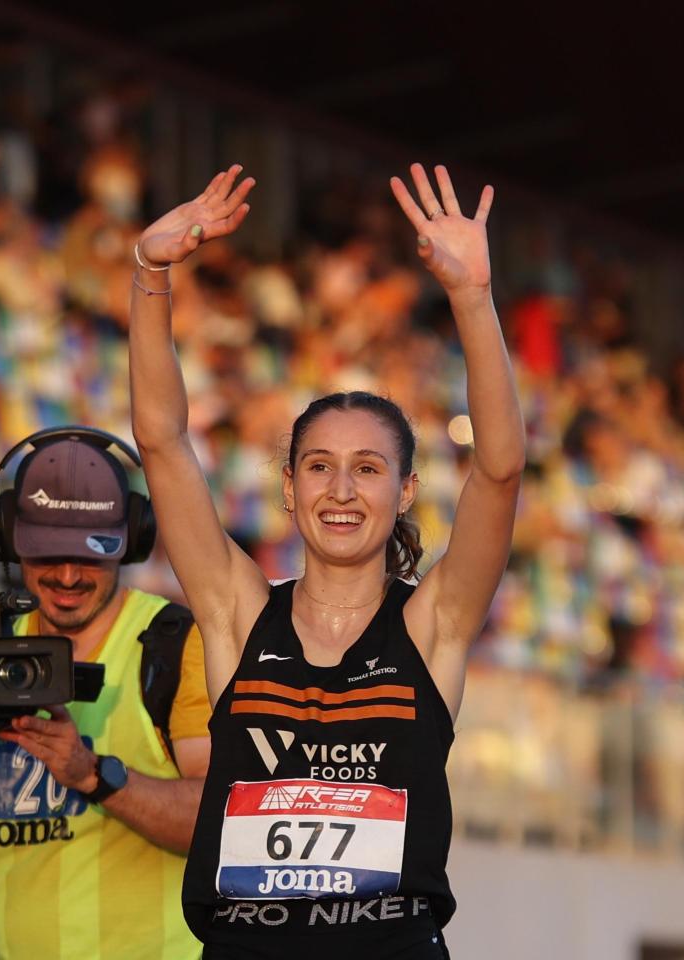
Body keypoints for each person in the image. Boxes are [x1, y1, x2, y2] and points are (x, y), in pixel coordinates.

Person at [128, 164, 524, 958]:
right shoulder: (239, 613)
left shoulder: (433, 623)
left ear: (406, 491)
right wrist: (149, 273)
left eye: (368, 469)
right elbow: (162, 443)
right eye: (319, 466)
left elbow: (500, 470)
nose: (341, 490)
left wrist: (473, 299)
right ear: (288, 486)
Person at [0, 428, 215, 960]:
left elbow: (216, 825)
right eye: (46, 555)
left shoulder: (177, 643)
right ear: (7, 539)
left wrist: (91, 775)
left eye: (90, 555)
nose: (67, 576)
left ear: (131, 540)